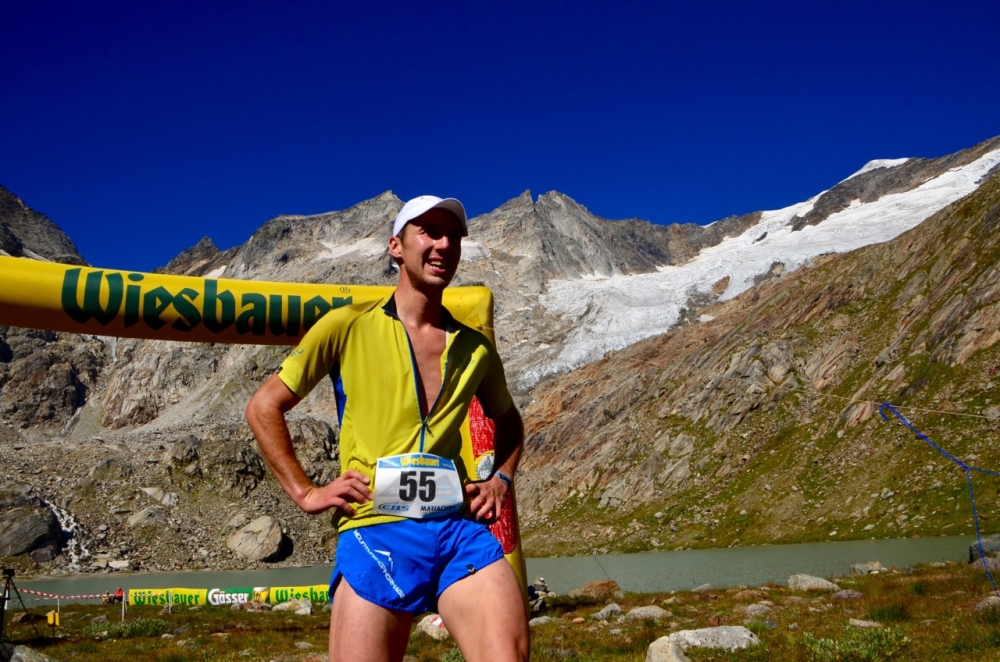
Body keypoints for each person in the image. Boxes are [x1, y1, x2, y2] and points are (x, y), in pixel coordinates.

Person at [246, 195, 529, 662]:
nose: (444, 245)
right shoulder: (346, 326)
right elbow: (263, 407)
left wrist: (500, 478)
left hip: (457, 529)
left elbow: (510, 421)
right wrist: (306, 492)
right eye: (430, 232)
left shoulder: (476, 348)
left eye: (453, 237)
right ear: (396, 246)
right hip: (375, 529)